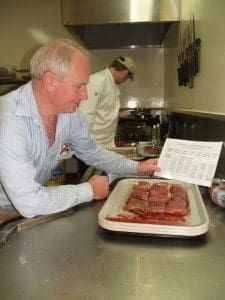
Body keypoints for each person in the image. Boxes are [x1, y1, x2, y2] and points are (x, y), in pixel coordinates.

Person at [0, 39, 159, 218]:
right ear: (50, 81)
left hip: (24, 206)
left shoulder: (67, 114)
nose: (84, 95)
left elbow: (92, 152)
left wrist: (137, 168)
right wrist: (89, 190)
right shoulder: (9, 121)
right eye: (78, 87)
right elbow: (30, 202)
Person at [79, 56, 136, 148]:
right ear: (125, 73)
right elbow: (85, 115)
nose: (124, 81)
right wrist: (86, 146)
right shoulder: (97, 81)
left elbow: (103, 110)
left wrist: (119, 114)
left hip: (103, 144)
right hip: (93, 145)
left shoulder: (109, 83)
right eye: (127, 78)